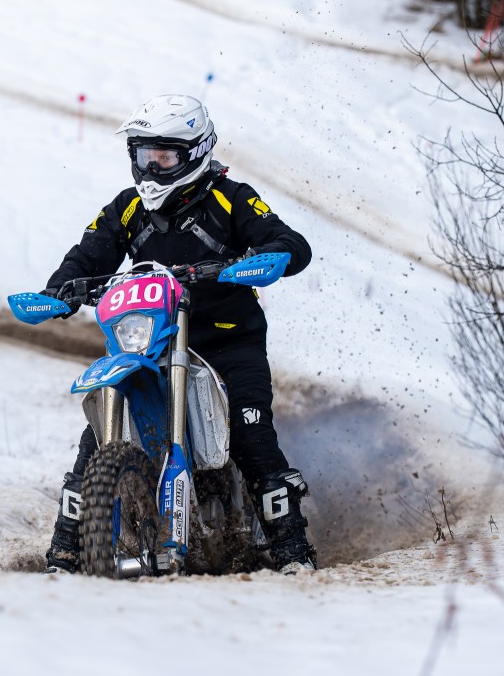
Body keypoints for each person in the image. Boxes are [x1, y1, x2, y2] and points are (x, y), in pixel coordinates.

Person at [42, 95, 317, 575]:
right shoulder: (128, 207)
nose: (151, 168)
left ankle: (293, 552)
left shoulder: (231, 197)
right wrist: (62, 289)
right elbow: (88, 252)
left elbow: (288, 240)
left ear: (196, 153)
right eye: (143, 155)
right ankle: (65, 554)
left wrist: (262, 258)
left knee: (251, 433)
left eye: (164, 157)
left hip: (227, 341)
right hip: (154, 343)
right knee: (95, 439)